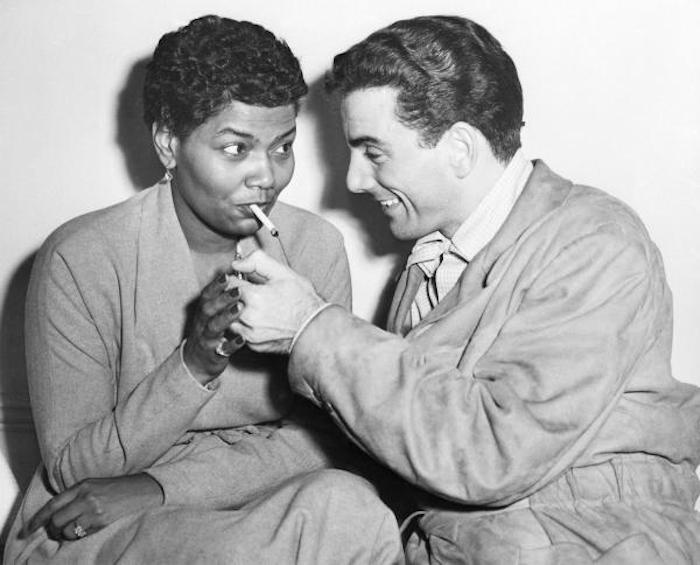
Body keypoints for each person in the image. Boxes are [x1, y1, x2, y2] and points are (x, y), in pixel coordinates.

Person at [229, 15, 700, 564]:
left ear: (459, 148)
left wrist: (312, 328)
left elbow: (495, 453)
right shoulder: (429, 265)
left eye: (373, 152)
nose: (354, 181)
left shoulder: (595, 242)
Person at [4, 15, 402, 564]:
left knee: (356, 510)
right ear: (169, 143)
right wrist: (193, 365)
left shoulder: (314, 247)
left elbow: (326, 441)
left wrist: (162, 486)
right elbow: (75, 469)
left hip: (240, 498)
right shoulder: (82, 258)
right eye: (236, 149)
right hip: (99, 520)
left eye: (282, 147)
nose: (266, 176)